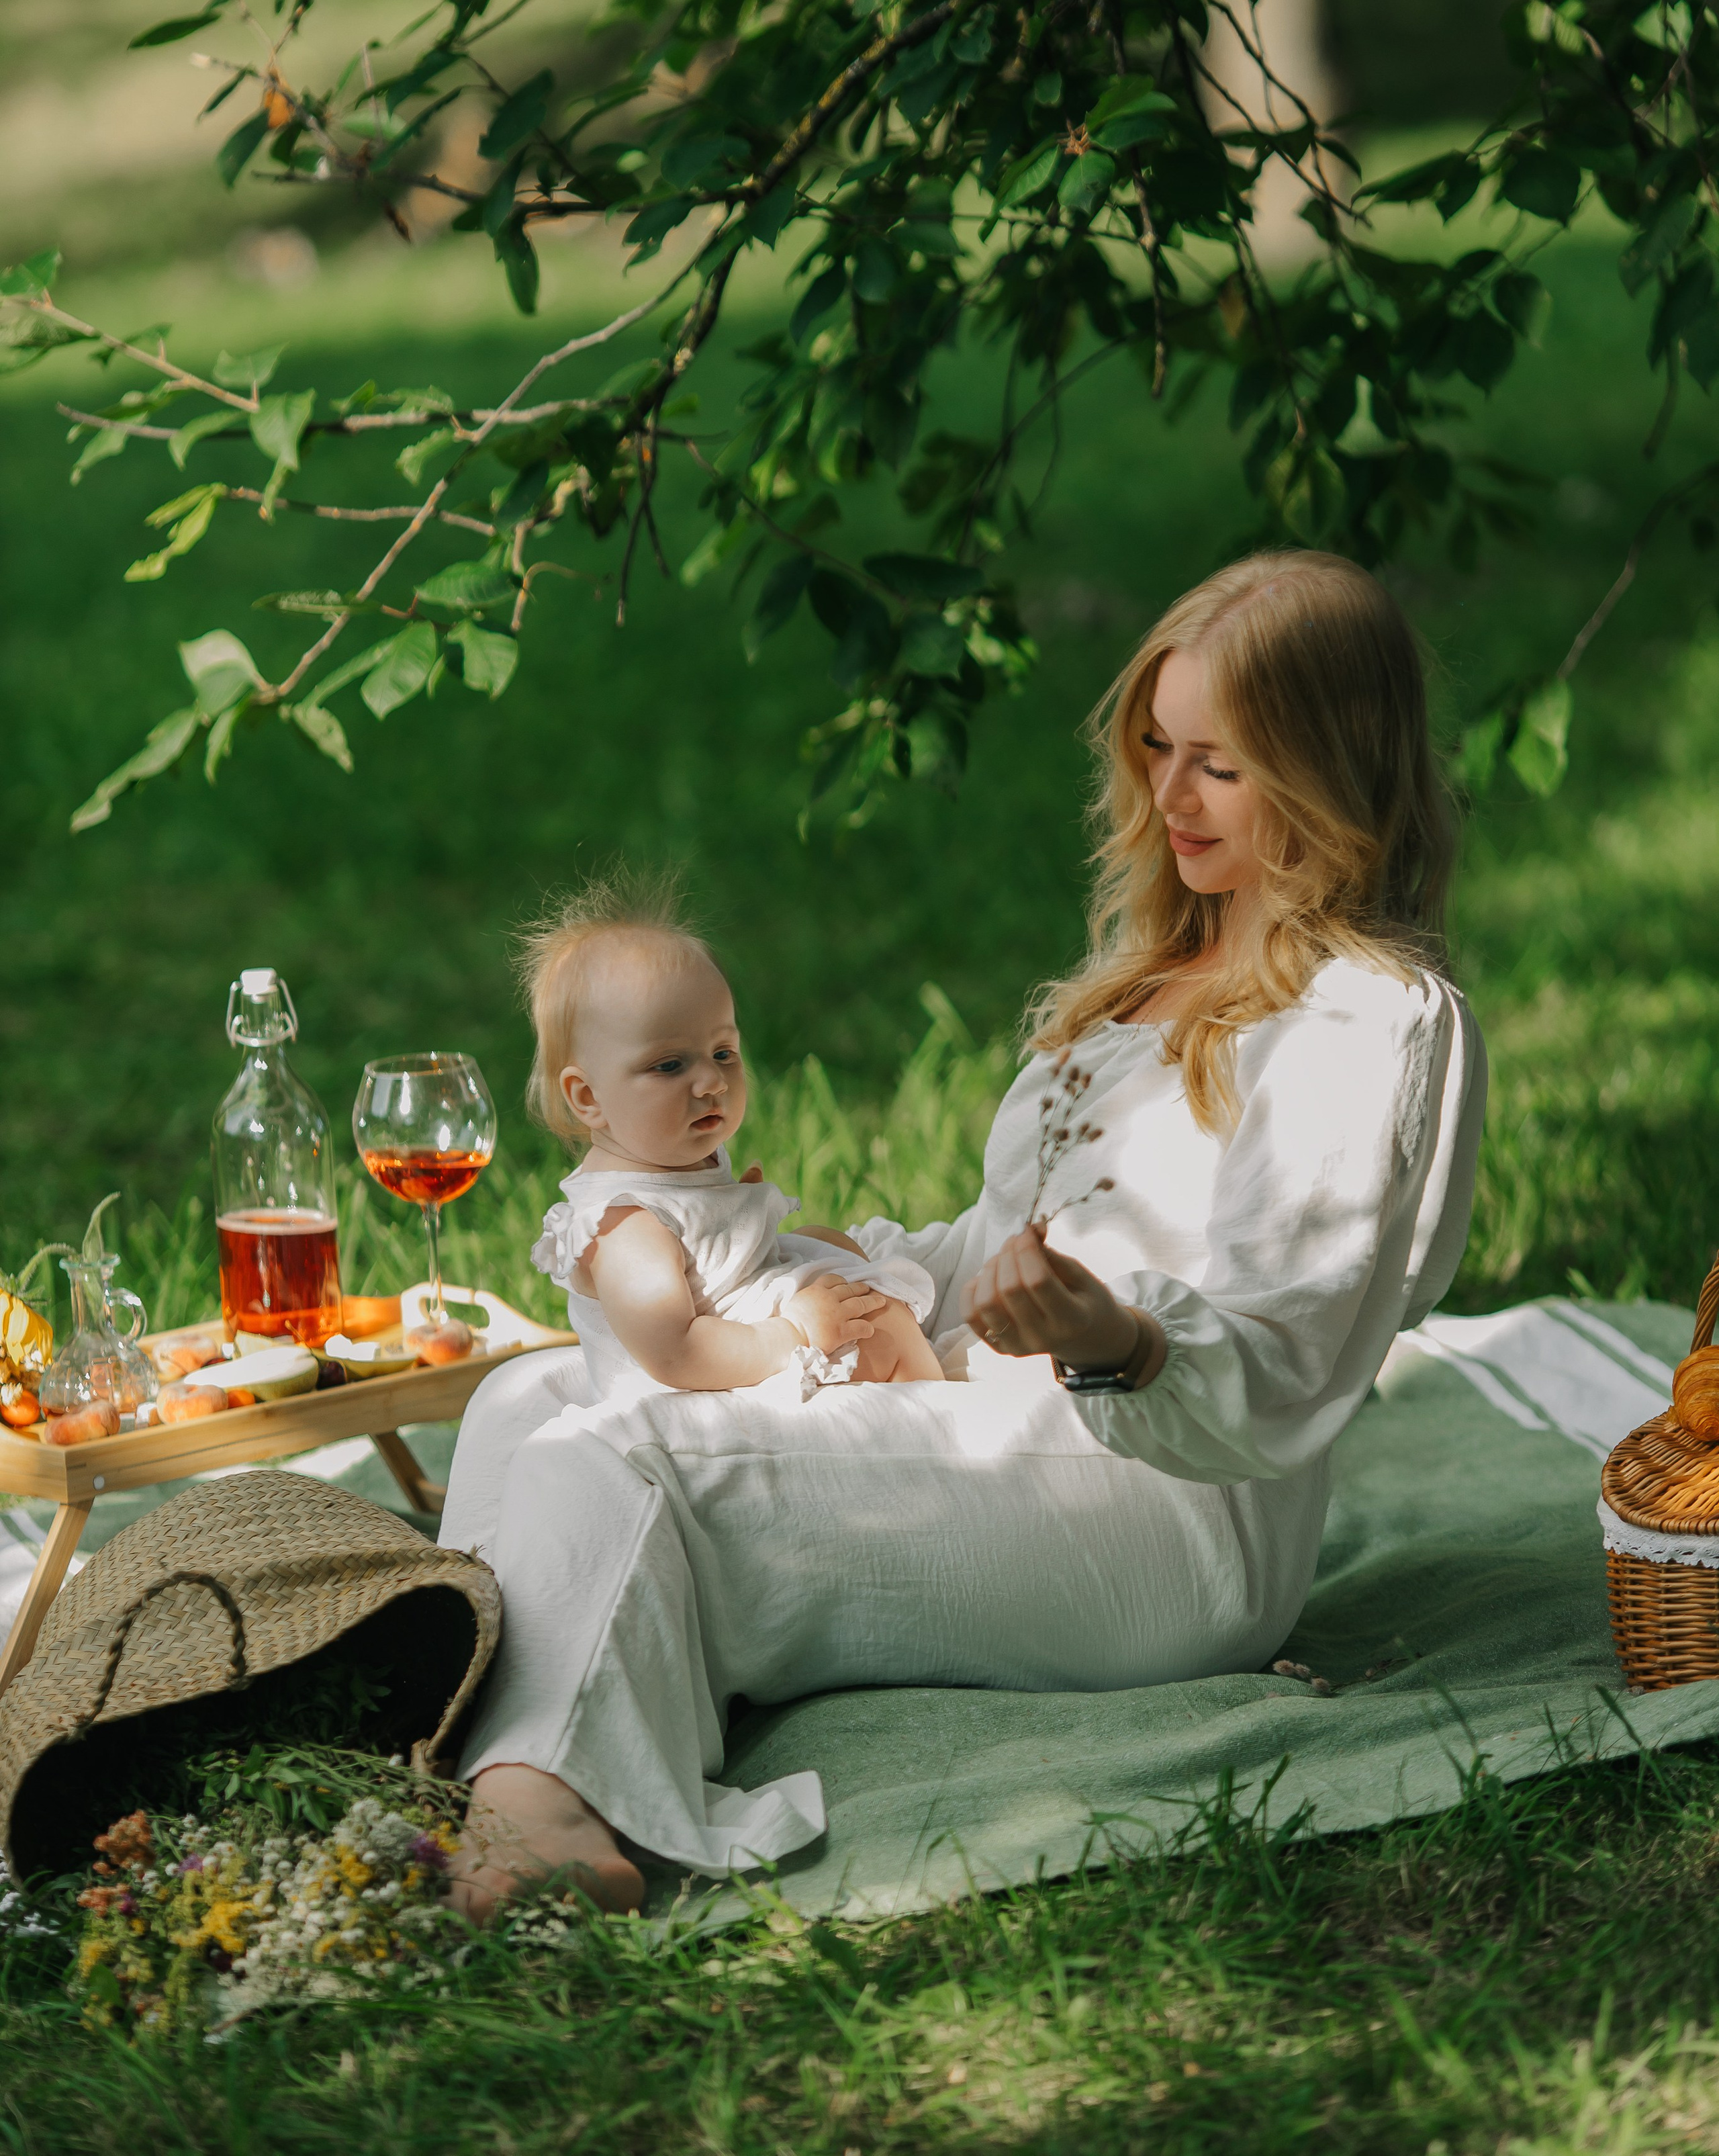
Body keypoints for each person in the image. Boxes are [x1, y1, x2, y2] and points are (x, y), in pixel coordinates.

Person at [440, 549, 1487, 1922]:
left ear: (1326, 774)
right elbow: (1011, 1237)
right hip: (996, 1423)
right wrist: (838, 1273)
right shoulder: (1151, 971)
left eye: (1219, 766)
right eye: (1156, 748)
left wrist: (1116, 1340)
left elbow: (1295, 1356)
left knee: (626, 1450)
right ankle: (460, 1724)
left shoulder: (1367, 1021)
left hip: (1164, 1514)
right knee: (524, 1400)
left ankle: (544, 1812)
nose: (1170, 795)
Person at [519, 889, 943, 1398]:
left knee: (829, 1243)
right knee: (881, 1322)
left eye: (723, 1053)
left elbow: (699, 1252)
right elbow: (677, 1354)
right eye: (670, 1065)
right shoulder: (625, 1224)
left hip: (736, 1334)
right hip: (702, 1393)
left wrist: (731, 1221)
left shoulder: (665, 1157)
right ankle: (936, 1415)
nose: (713, 1082)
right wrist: (798, 1331)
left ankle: (902, 1375)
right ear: (589, 1097)